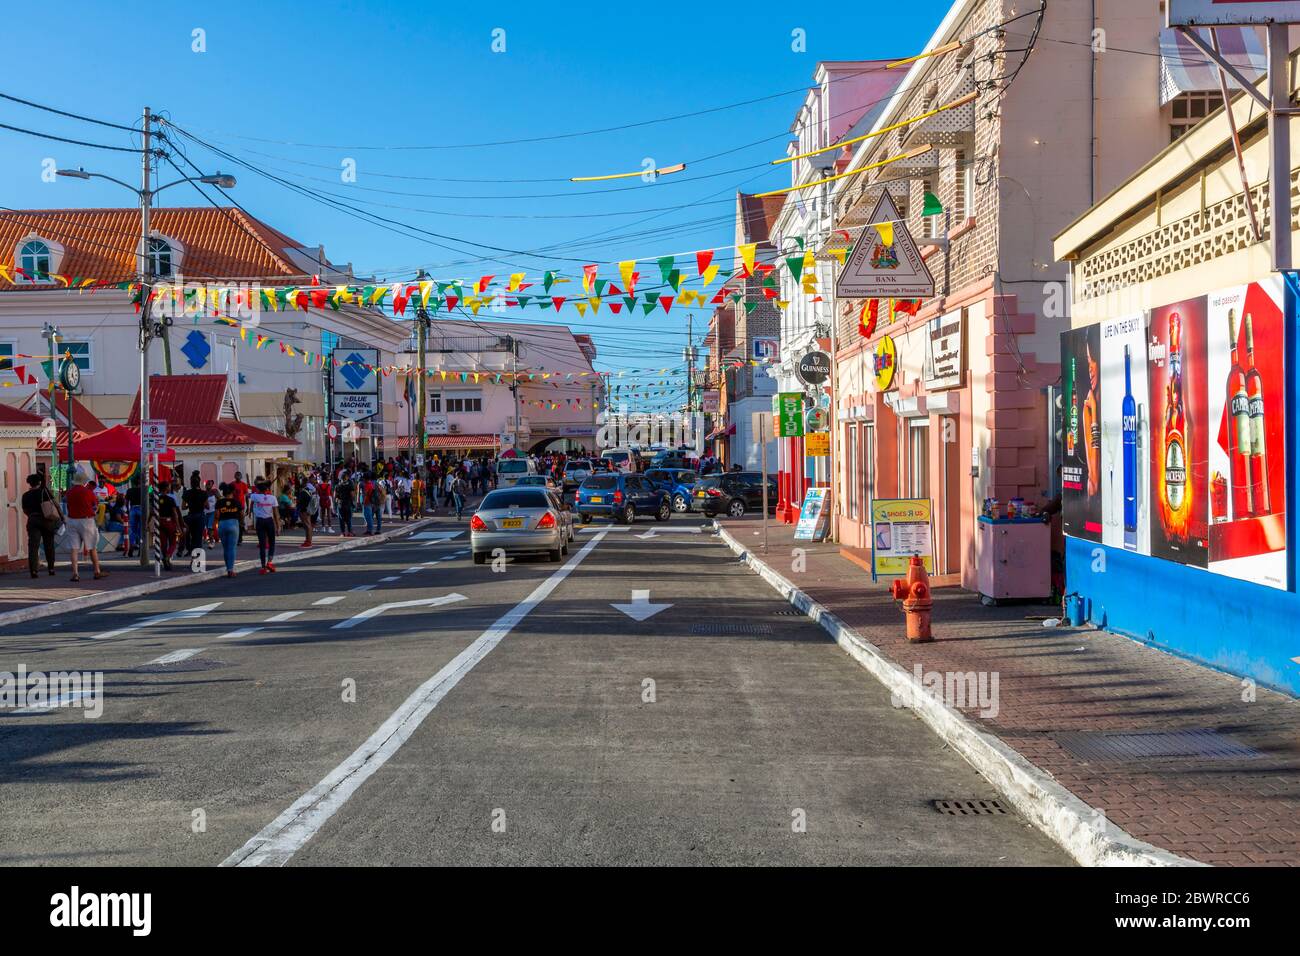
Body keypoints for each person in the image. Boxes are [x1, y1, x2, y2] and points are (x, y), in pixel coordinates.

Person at [64, 468, 108, 582]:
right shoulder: (88, 492)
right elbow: (95, 505)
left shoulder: (69, 492)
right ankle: (97, 571)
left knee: (74, 549)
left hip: (72, 520)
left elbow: (67, 505)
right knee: (92, 547)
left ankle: (75, 573)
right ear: (84, 482)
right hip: (86, 520)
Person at [21, 472, 60, 579]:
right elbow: (55, 504)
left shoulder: (25, 495)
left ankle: (33, 571)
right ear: (39, 482)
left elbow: (25, 510)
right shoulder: (44, 491)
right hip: (47, 520)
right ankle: (51, 569)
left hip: (33, 520)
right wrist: (61, 517)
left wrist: (32, 515)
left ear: (30, 483)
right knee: (49, 545)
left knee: (33, 546)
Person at [249, 479, 280, 573]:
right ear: (267, 489)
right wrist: (278, 527)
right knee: (272, 542)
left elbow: (247, 495)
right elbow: (276, 514)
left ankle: (263, 567)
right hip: (269, 521)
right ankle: (269, 562)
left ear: (259, 490)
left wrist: (254, 491)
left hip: (260, 522)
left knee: (262, 544)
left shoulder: (255, 496)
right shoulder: (272, 498)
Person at [214, 482, 242, 577]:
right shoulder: (236, 502)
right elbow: (241, 514)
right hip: (233, 523)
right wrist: (241, 522)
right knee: (232, 548)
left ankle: (228, 567)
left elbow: (217, 515)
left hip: (222, 524)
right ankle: (230, 569)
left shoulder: (219, 502)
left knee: (225, 548)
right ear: (232, 492)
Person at [156, 479, 180, 570]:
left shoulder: (156, 499)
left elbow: (152, 511)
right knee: (173, 542)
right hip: (169, 522)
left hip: (159, 521)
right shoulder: (171, 499)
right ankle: (167, 556)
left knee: (163, 542)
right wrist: (178, 526)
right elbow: (175, 513)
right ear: (166, 488)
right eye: (169, 486)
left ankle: (166, 560)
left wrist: (148, 522)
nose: (170, 488)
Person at [183, 472, 208, 556]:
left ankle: (190, 550)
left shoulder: (187, 493)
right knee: (198, 537)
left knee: (191, 535)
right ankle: (197, 557)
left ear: (191, 483)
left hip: (191, 516)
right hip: (200, 516)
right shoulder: (204, 493)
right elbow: (207, 506)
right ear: (199, 482)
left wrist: (189, 505)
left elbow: (183, 507)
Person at [231, 470, 250, 544]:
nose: (238, 477)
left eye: (239, 475)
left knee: (241, 522)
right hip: (233, 506)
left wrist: (248, 507)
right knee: (234, 522)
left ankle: (240, 538)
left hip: (241, 506)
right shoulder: (232, 484)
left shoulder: (244, 485)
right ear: (235, 476)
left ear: (241, 477)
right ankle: (235, 537)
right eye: (236, 475)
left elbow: (247, 497)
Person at [296, 478, 316, 547]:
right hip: (307, 510)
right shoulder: (308, 490)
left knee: (307, 526)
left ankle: (308, 541)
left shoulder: (303, 492)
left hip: (304, 510)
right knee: (308, 525)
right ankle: (308, 540)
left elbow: (300, 501)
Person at [336, 471, 355, 536]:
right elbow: (352, 495)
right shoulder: (350, 485)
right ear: (346, 477)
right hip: (348, 503)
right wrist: (353, 501)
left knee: (341, 519)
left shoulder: (338, 485)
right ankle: (350, 532)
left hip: (340, 503)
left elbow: (335, 495)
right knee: (348, 518)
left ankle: (342, 532)